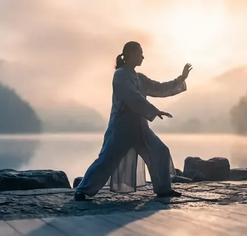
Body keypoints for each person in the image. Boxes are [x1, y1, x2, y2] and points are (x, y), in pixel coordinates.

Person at [75, 41, 192, 201]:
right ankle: (83, 189)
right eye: (140, 53)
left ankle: (163, 189)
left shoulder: (140, 78)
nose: (143, 56)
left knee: (160, 151)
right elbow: (132, 97)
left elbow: (159, 88)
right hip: (121, 129)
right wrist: (153, 110)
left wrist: (180, 79)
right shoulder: (120, 75)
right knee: (106, 160)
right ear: (130, 54)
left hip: (141, 128)